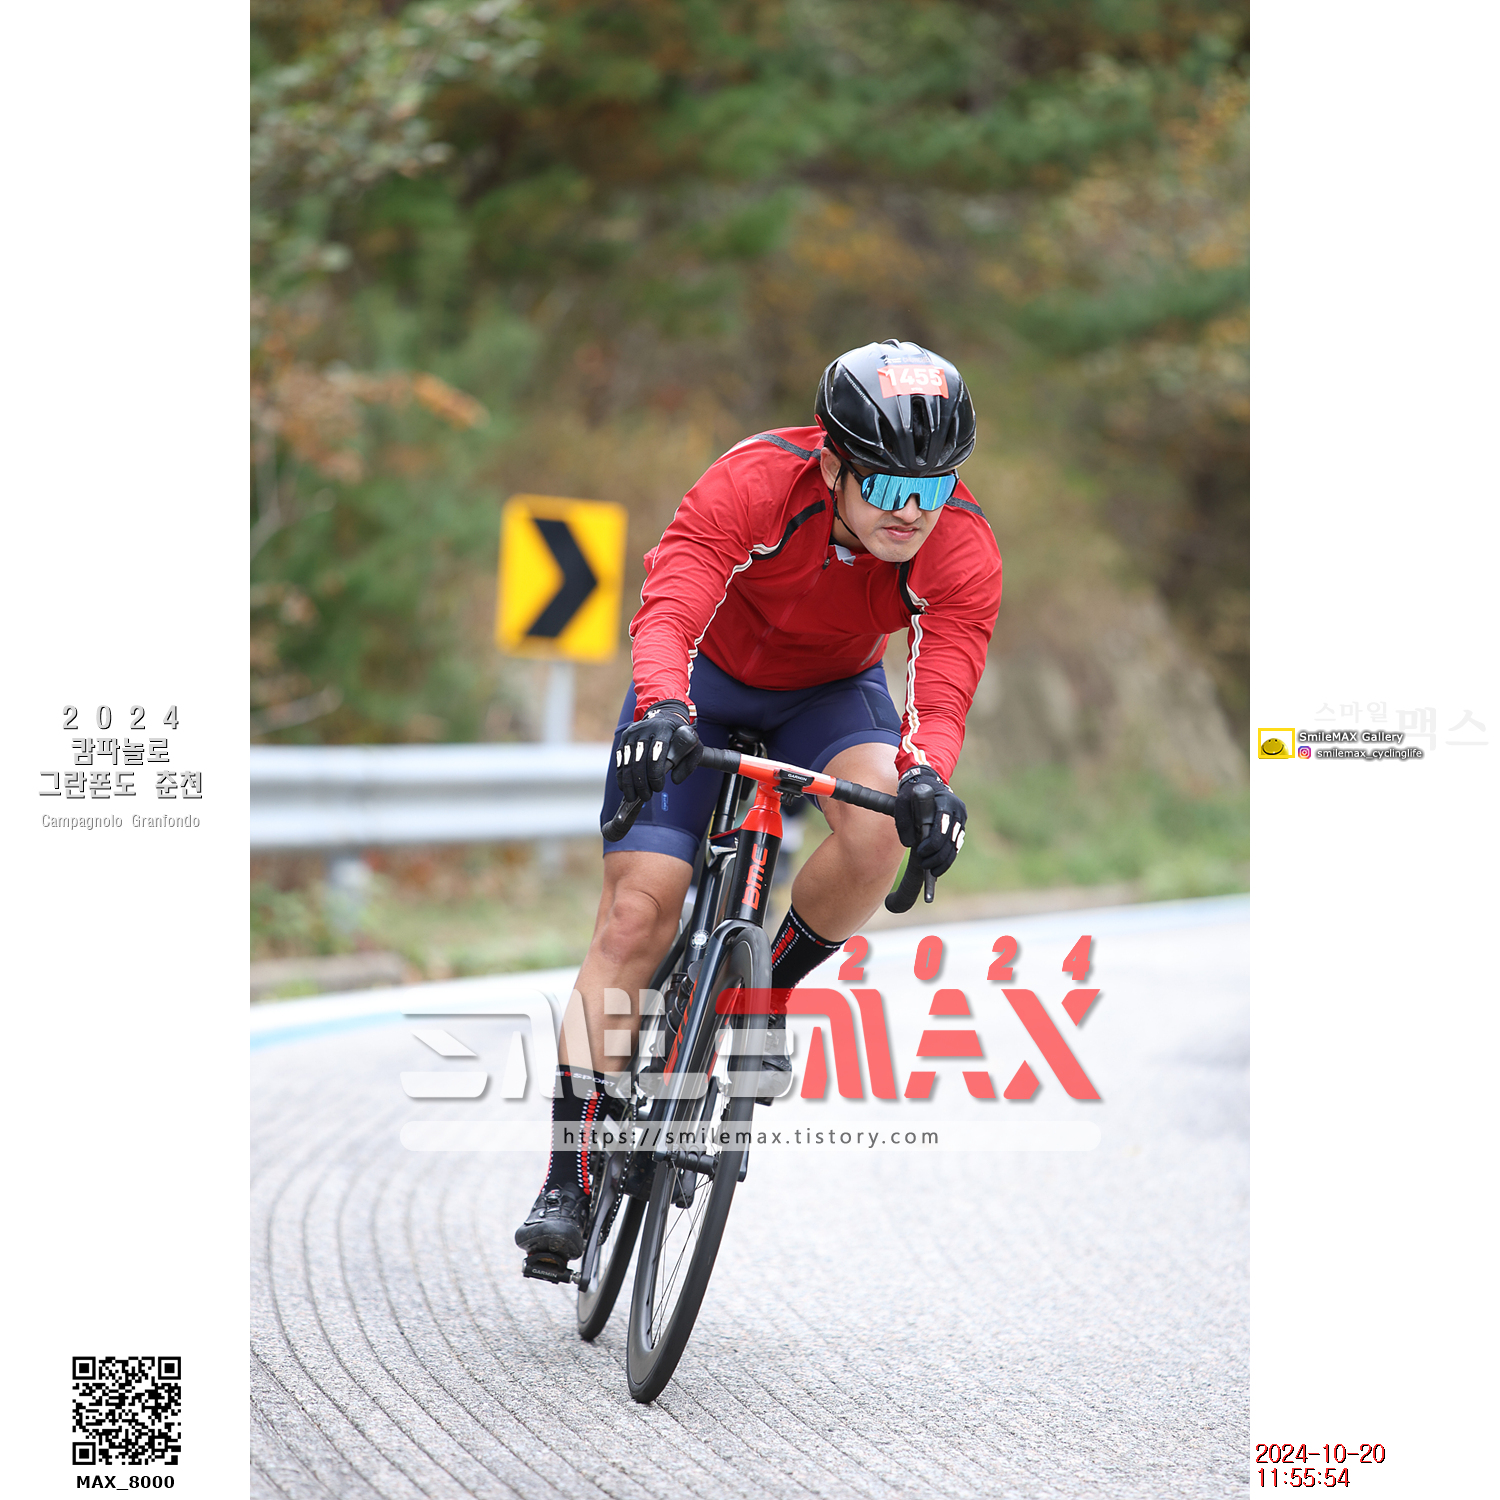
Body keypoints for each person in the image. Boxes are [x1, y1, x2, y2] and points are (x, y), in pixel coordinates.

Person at [516, 338, 1003, 1261]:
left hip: (830, 695)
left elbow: (938, 697)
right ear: (832, 463)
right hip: (701, 680)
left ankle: (763, 990)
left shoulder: (961, 546)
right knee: (636, 915)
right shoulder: (755, 480)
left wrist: (929, 779)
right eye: (887, 486)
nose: (912, 512)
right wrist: (663, 705)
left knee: (880, 829)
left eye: (934, 488)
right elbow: (670, 607)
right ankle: (567, 1177)